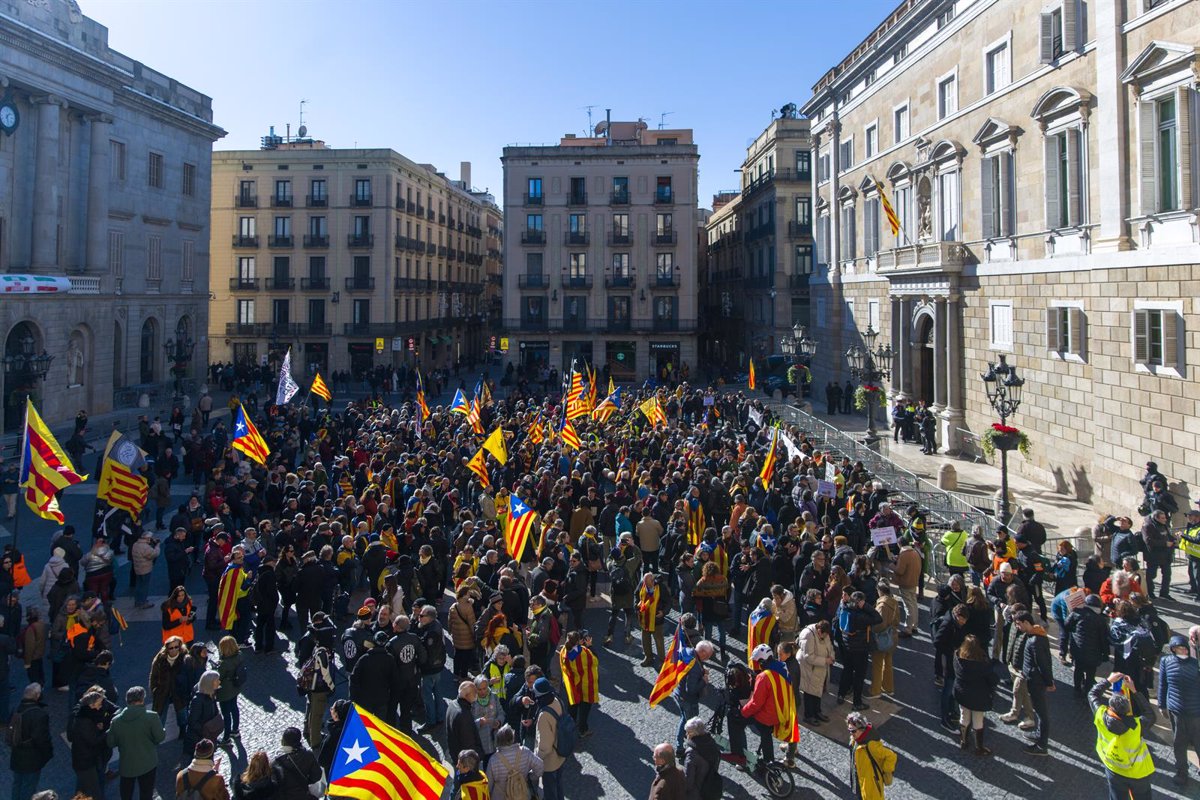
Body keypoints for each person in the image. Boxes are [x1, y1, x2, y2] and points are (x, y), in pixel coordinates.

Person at [1090, 673, 1155, 800]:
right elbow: (1150, 715)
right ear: (1127, 710)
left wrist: (1108, 681)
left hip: (1113, 768)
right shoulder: (1136, 725)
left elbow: (1092, 694)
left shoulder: (1101, 715)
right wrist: (1134, 690)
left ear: (1111, 707)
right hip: (1137, 772)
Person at [106, 686, 166, 800]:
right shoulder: (152, 717)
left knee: (126, 794)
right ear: (142, 699)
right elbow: (160, 738)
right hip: (148, 762)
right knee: (146, 792)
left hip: (127, 764)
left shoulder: (116, 721)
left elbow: (110, 743)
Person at [1156, 633, 1200, 788]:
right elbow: (1163, 684)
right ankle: (1182, 771)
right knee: (1179, 743)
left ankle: (1182, 772)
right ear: (1173, 649)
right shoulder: (1166, 661)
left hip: (1195, 712)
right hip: (1178, 711)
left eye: (1183, 648)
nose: (1182, 650)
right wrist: (1162, 705)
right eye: (1178, 648)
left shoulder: (1196, 663)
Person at [1015, 610, 1054, 756]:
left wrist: (1049, 682)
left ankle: (1042, 746)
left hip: (1036, 681)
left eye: (1018, 624)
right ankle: (1039, 734)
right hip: (1034, 679)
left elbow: (1043, 664)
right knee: (1039, 711)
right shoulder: (1037, 635)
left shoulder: (1035, 640)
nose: (1017, 627)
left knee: (1042, 713)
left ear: (1026, 622)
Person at [953, 634, 997, 756]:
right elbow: (992, 679)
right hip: (978, 697)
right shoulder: (982, 664)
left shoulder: (957, 657)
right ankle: (979, 747)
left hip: (962, 694)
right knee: (978, 721)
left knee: (964, 717)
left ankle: (963, 740)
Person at [10, 683, 53, 800]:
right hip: (31, 759)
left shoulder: (17, 708)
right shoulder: (39, 714)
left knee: (17, 783)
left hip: (17, 755)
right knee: (28, 788)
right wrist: (48, 753)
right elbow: (42, 739)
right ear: (37, 695)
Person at [671, 640, 714, 749]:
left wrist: (702, 670)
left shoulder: (689, 652)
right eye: (708, 656)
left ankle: (679, 744)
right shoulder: (694, 665)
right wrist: (704, 681)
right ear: (703, 652)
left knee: (684, 719)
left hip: (678, 693)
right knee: (692, 725)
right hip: (688, 699)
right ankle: (688, 747)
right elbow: (691, 689)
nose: (708, 658)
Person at [69, 689, 112, 800]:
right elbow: (94, 741)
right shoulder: (85, 721)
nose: (100, 706)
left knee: (82, 790)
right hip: (86, 762)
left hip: (82, 760)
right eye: (98, 704)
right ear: (91, 705)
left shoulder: (83, 714)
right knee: (95, 792)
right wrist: (108, 732)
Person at [1065, 594, 1110, 694]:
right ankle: (1088, 693)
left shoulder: (1077, 612)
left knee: (1078, 670)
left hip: (1078, 649)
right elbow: (1104, 639)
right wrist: (1106, 653)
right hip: (1093, 653)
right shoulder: (1101, 620)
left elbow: (1067, 625)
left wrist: (1075, 631)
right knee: (1090, 674)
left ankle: (1077, 689)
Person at [846, 710, 896, 800]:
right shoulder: (855, 740)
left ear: (861, 730)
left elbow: (891, 756)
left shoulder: (871, 745)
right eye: (849, 730)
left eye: (853, 731)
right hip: (860, 781)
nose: (851, 733)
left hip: (872, 784)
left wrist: (886, 771)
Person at [485, 724, 544, 800]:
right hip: (522, 795)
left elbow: (488, 785)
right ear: (512, 738)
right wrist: (531, 777)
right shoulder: (525, 752)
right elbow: (540, 766)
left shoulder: (494, 760)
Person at [533, 677, 568, 800]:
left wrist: (535, 758)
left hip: (550, 762)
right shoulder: (557, 700)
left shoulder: (544, 716)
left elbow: (545, 747)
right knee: (559, 787)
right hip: (561, 754)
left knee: (550, 793)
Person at [271, 726, 324, 800]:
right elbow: (317, 775)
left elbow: (274, 785)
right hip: (304, 795)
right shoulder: (308, 755)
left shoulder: (277, 762)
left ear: (284, 741)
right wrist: (305, 782)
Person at [798, 620, 834, 724]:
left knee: (818, 690)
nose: (825, 637)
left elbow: (830, 647)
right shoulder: (808, 635)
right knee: (809, 692)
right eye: (823, 635)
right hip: (809, 668)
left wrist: (832, 656)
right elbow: (808, 657)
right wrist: (825, 661)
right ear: (819, 630)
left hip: (820, 667)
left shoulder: (824, 633)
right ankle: (809, 715)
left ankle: (817, 712)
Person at [681, 715, 722, 800]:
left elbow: (688, 781)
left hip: (696, 794)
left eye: (688, 732)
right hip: (710, 785)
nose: (686, 734)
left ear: (694, 733)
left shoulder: (691, 752)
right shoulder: (711, 742)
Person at [184, 670, 223, 758]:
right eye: (217, 680)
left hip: (208, 737)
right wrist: (205, 732)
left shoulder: (212, 694)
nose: (219, 682)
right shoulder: (198, 701)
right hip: (199, 741)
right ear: (210, 683)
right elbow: (193, 722)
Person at [446, 680, 485, 765]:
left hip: (455, 754)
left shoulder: (452, 704)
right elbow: (468, 744)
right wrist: (479, 755)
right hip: (466, 763)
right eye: (474, 693)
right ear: (467, 696)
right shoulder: (464, 715)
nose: (476, 695)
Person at [214, 636, 244, 745]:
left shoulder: (224, 663)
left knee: (226, 713)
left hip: (225, 691)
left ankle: (226, 738)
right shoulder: (240, 655)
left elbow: (219, 676)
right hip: (235, 687)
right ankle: (235, 730)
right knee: (234, 708)